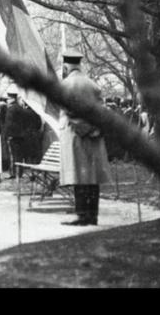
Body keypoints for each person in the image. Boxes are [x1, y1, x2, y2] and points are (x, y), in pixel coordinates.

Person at [59, 50, 111, 226]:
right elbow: (102, 111)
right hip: (94, 135)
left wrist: (83, 129)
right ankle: (92, 215)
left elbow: (69, 111)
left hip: (76, 136)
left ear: (66, 66)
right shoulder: (92, 84)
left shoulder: (66, 84)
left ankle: (82, 215)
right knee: (91, 176)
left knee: (78, 176)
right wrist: (94, 129)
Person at [4, 87, 26, 179]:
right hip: (20, 135)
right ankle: (19, 172)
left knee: (13, 155)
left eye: (8, 99)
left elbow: (9, 124)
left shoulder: (11, 109)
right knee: (19, 155)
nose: (7, 100)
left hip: (13, 136)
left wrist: (8, 135)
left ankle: (13, 173)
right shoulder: (20, 108)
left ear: (12, 99)